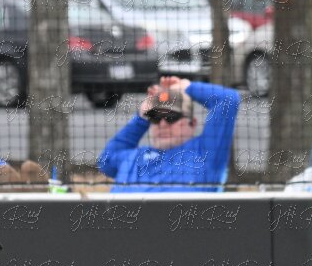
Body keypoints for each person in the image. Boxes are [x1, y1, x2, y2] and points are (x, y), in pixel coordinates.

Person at [97, 76, 241, 192]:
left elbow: (228, 100)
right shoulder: (132, 157)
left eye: (171, 117)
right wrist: (141, 119)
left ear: (192, 123)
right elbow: (105, 162)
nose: (162, 124)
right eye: (155, 118)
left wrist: (186, 87)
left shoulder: (205, 154)